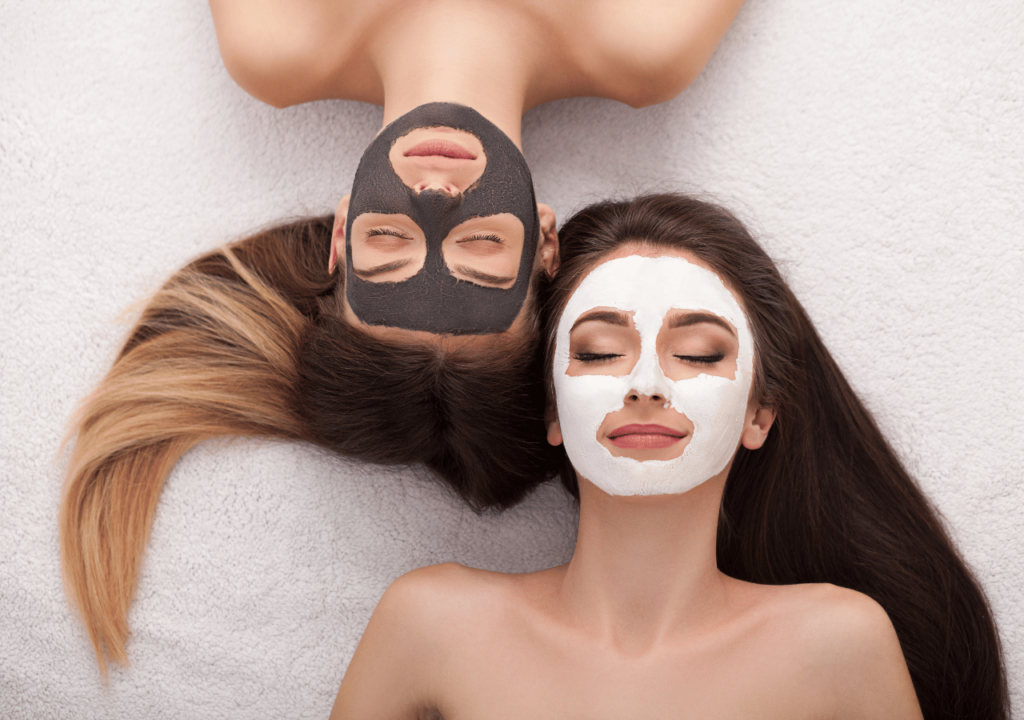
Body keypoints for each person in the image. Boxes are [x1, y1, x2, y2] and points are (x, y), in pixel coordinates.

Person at [59, 0, 749, 675]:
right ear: (545, 240)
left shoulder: (275, 39)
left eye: (386, 240)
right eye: (481, 246)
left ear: (341, 230)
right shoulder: (646, 42)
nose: (435, 197)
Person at [329, 194, 1008, 719]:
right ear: (550, 410)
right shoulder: (432, 622)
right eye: (598, 352)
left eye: (699, 355)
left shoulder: (839, 643)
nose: (646, 383)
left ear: (758, 413)